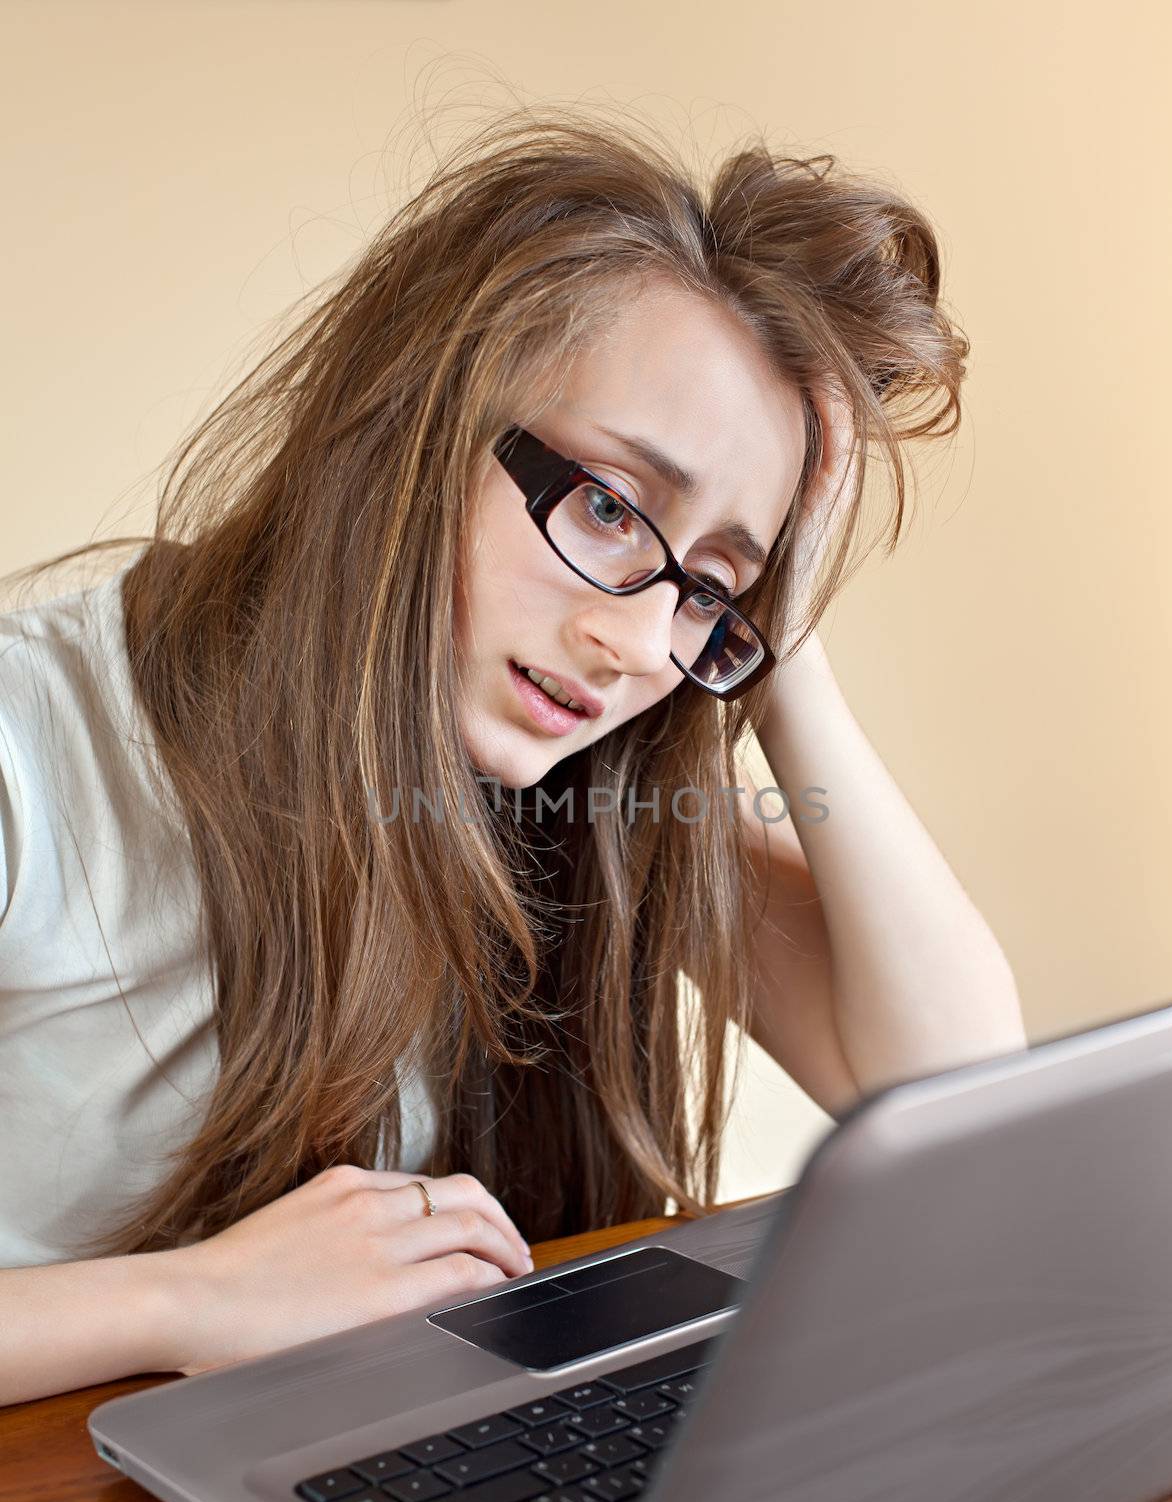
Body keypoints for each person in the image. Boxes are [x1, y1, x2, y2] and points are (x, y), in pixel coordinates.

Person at [0, 106, 1025, 1406]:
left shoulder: (577, 786)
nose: (637, 643)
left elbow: (958, 1098)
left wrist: (775, 630)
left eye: (704, 586)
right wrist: (180, 1299)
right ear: (406, 427)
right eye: (607, 506)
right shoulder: (34, 748)